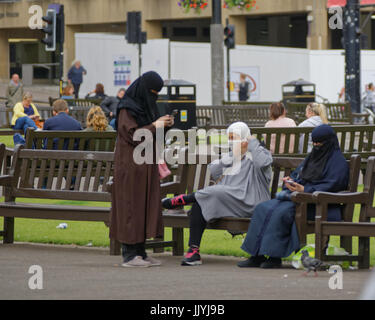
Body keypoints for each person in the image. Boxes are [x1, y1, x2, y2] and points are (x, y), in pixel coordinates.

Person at [237, 125, 349, 269]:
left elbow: (334, 185)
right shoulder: (312, 157)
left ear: (330, 142)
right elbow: (299, 174)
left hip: (322, 206)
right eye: (314, 143)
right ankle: (256, 255)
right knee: (262, 208)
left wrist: (306, 190)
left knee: (282, 212)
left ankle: (274, 256)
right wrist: (291, 183)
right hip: (298, 199)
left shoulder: (338, 163)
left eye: (320, 143)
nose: (316, 146)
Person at [162, 122, 273, 266]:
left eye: (235, 137)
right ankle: (193, 251)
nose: (232, 141)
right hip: (231, 201)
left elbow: (261, 164)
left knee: (215, 192)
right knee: (201, 201)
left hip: (251, 201)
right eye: (230, 138)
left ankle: (184, 199)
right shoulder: (233, 156)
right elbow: (214, 171)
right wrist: (233, 156)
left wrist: (252, 144)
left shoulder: (260, 153)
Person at [110, 71, 174, 268]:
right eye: (152, 92)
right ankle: (129, 255)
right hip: (131, 168)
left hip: (145, 167)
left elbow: (151, 133)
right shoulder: (126, 108)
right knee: (131, 207)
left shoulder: (145, 105)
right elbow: (135, 135)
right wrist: (156, 124)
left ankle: (141, 252)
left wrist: (164, 125)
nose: (153, 96)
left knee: (144, 207)